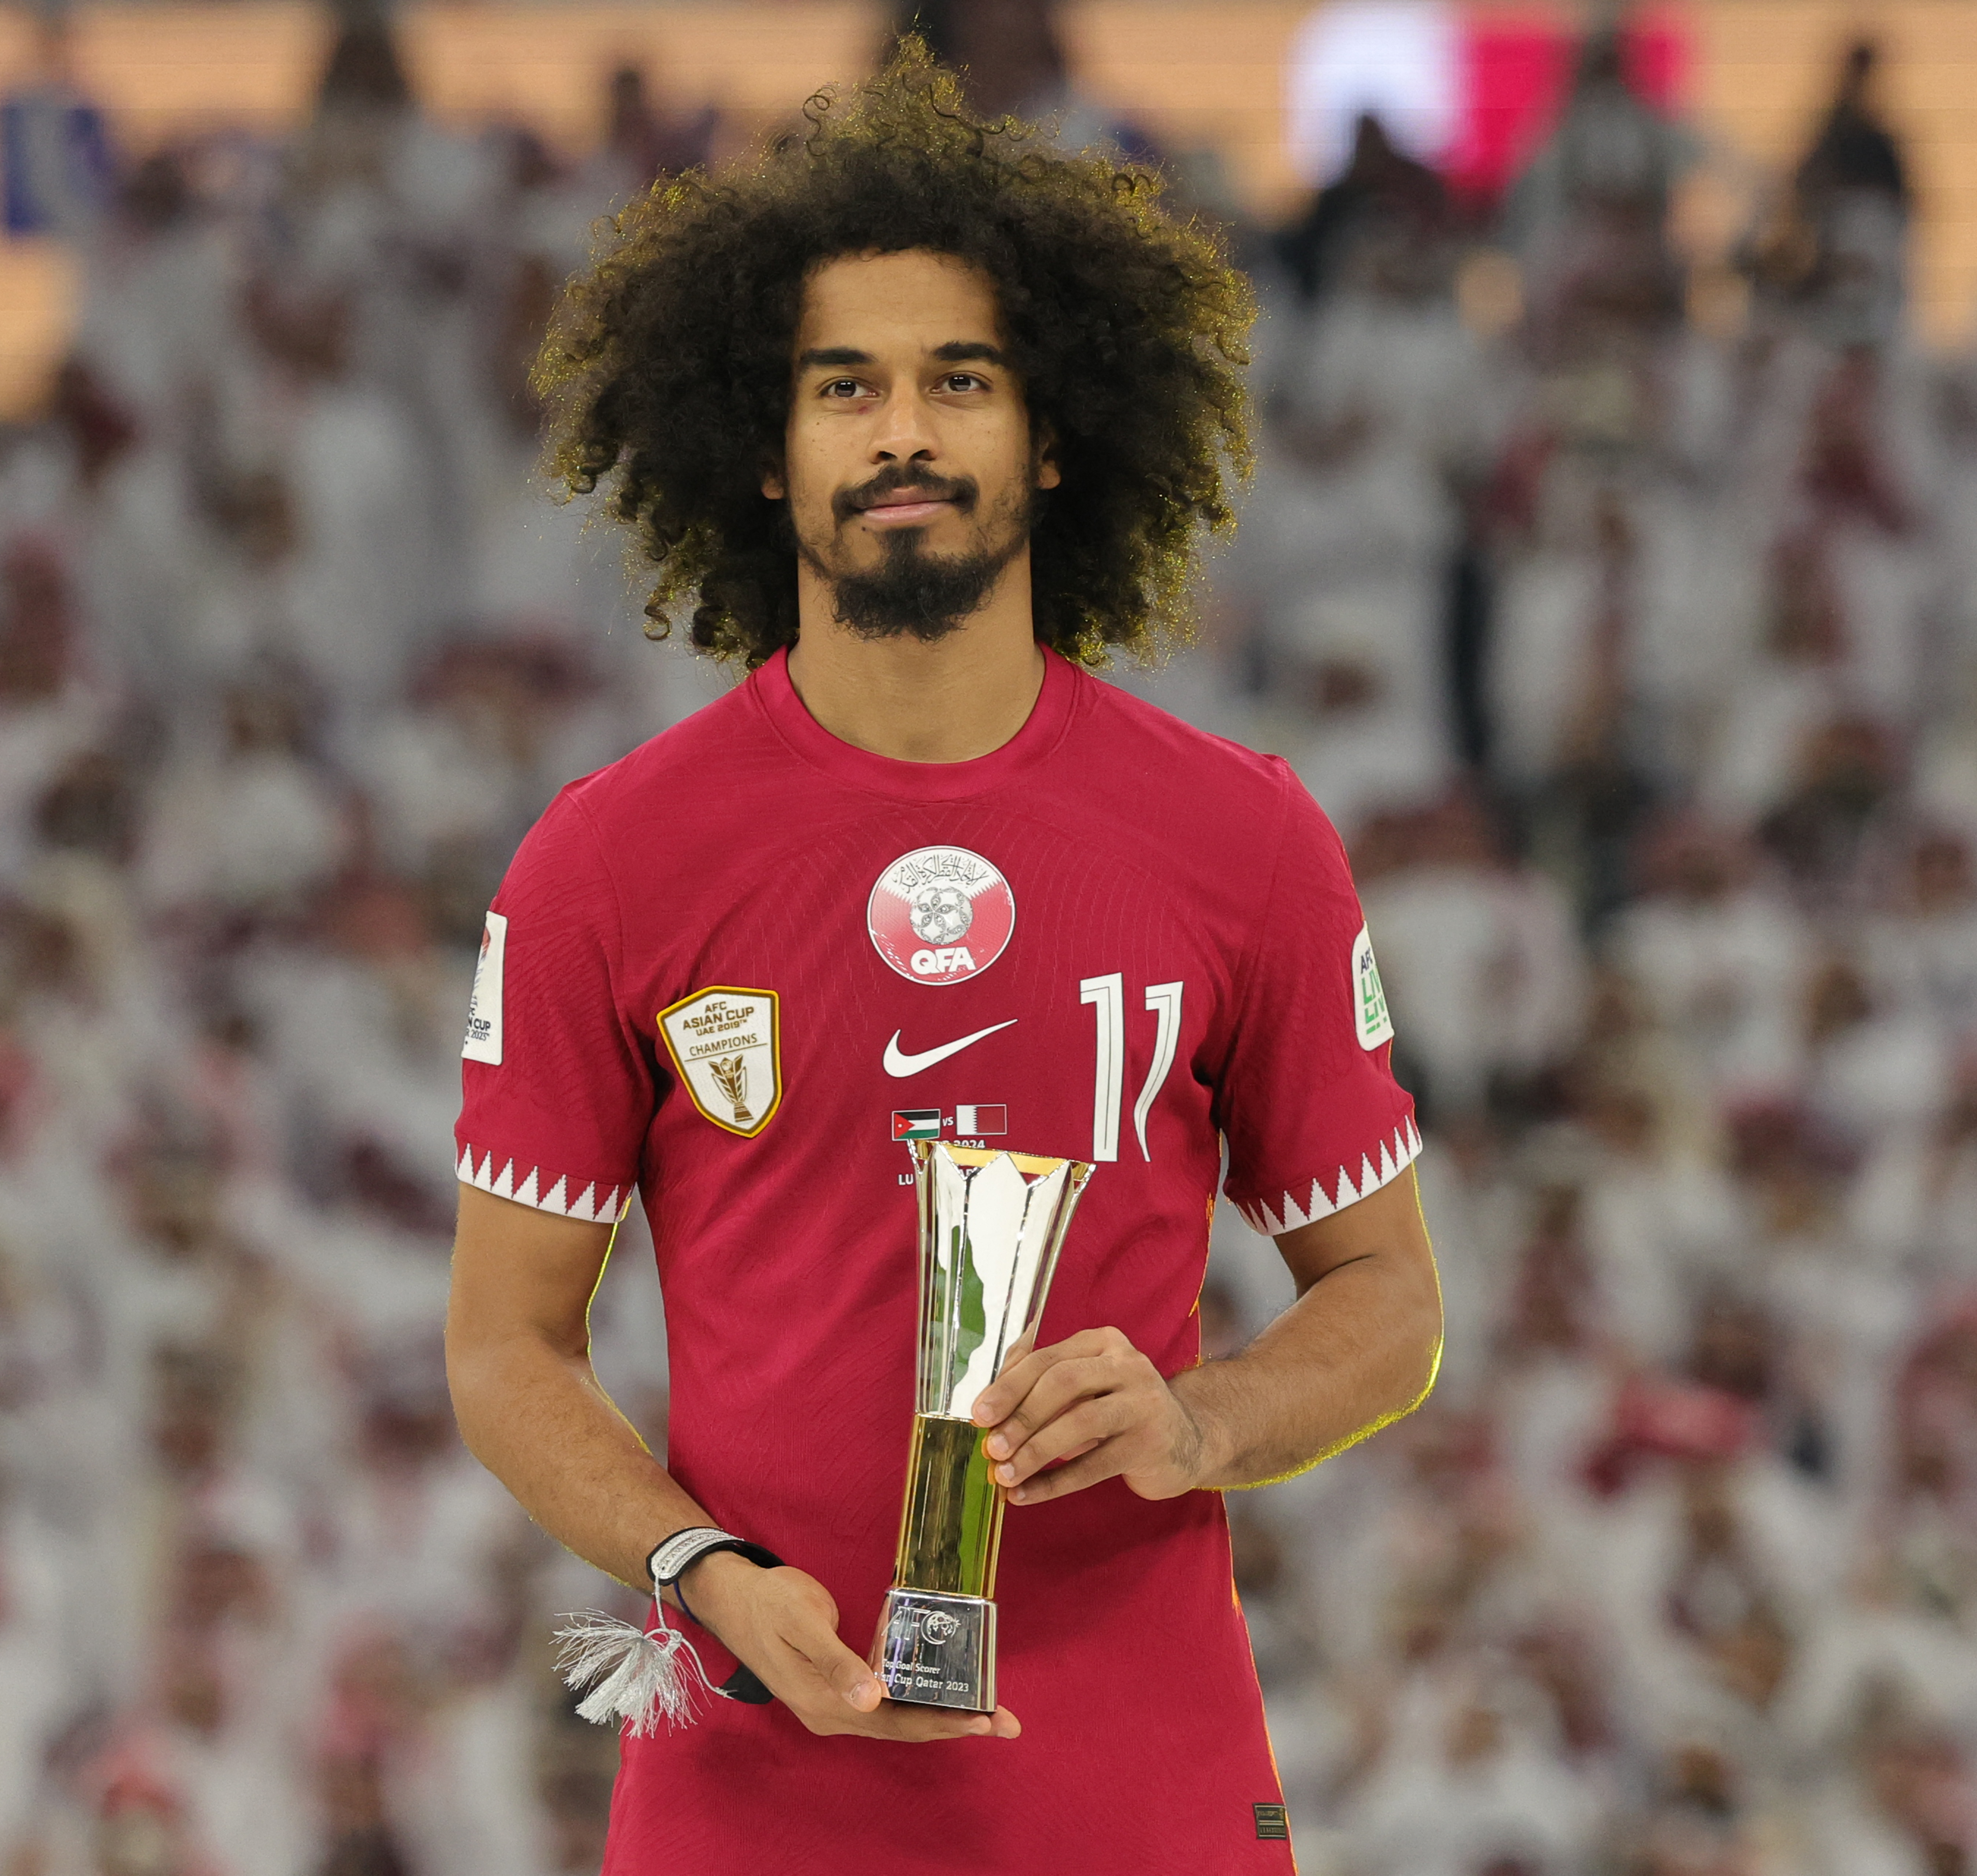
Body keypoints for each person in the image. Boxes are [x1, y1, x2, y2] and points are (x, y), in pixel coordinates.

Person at [442, 46, 1445, 1874]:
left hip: (1139, 1789)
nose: (902, 432)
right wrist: (699, 1566)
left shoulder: (1246, 840)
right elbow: (506, 1345)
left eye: (959, 381)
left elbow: (1389, 1301)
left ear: (1051, 438)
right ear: (765, 452)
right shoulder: (608, 862)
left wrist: (1200, 1418)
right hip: (751, 1791)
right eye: (846, 386)